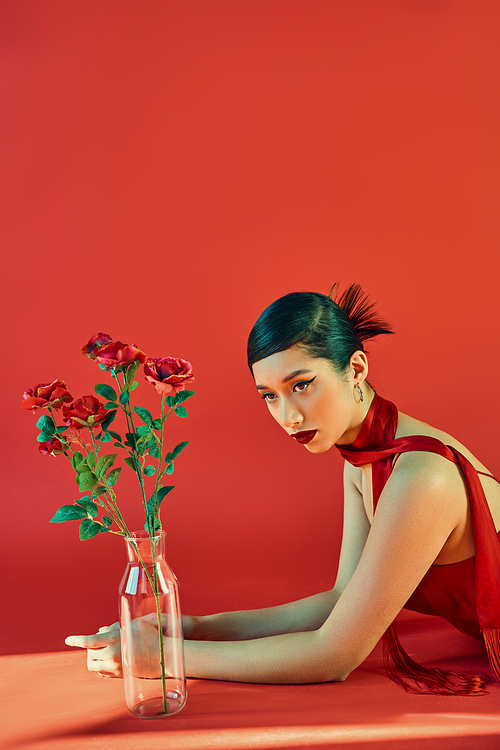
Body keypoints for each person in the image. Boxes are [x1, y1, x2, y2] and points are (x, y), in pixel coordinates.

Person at [66, 284, 500, 695]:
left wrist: (165, 659)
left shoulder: (420, 475)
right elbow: (340, 602)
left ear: (356, 368)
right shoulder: (365, 459)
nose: (288, 416)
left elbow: (334, 655)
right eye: (269, 396)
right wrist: (187, 627)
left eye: (301, 385)